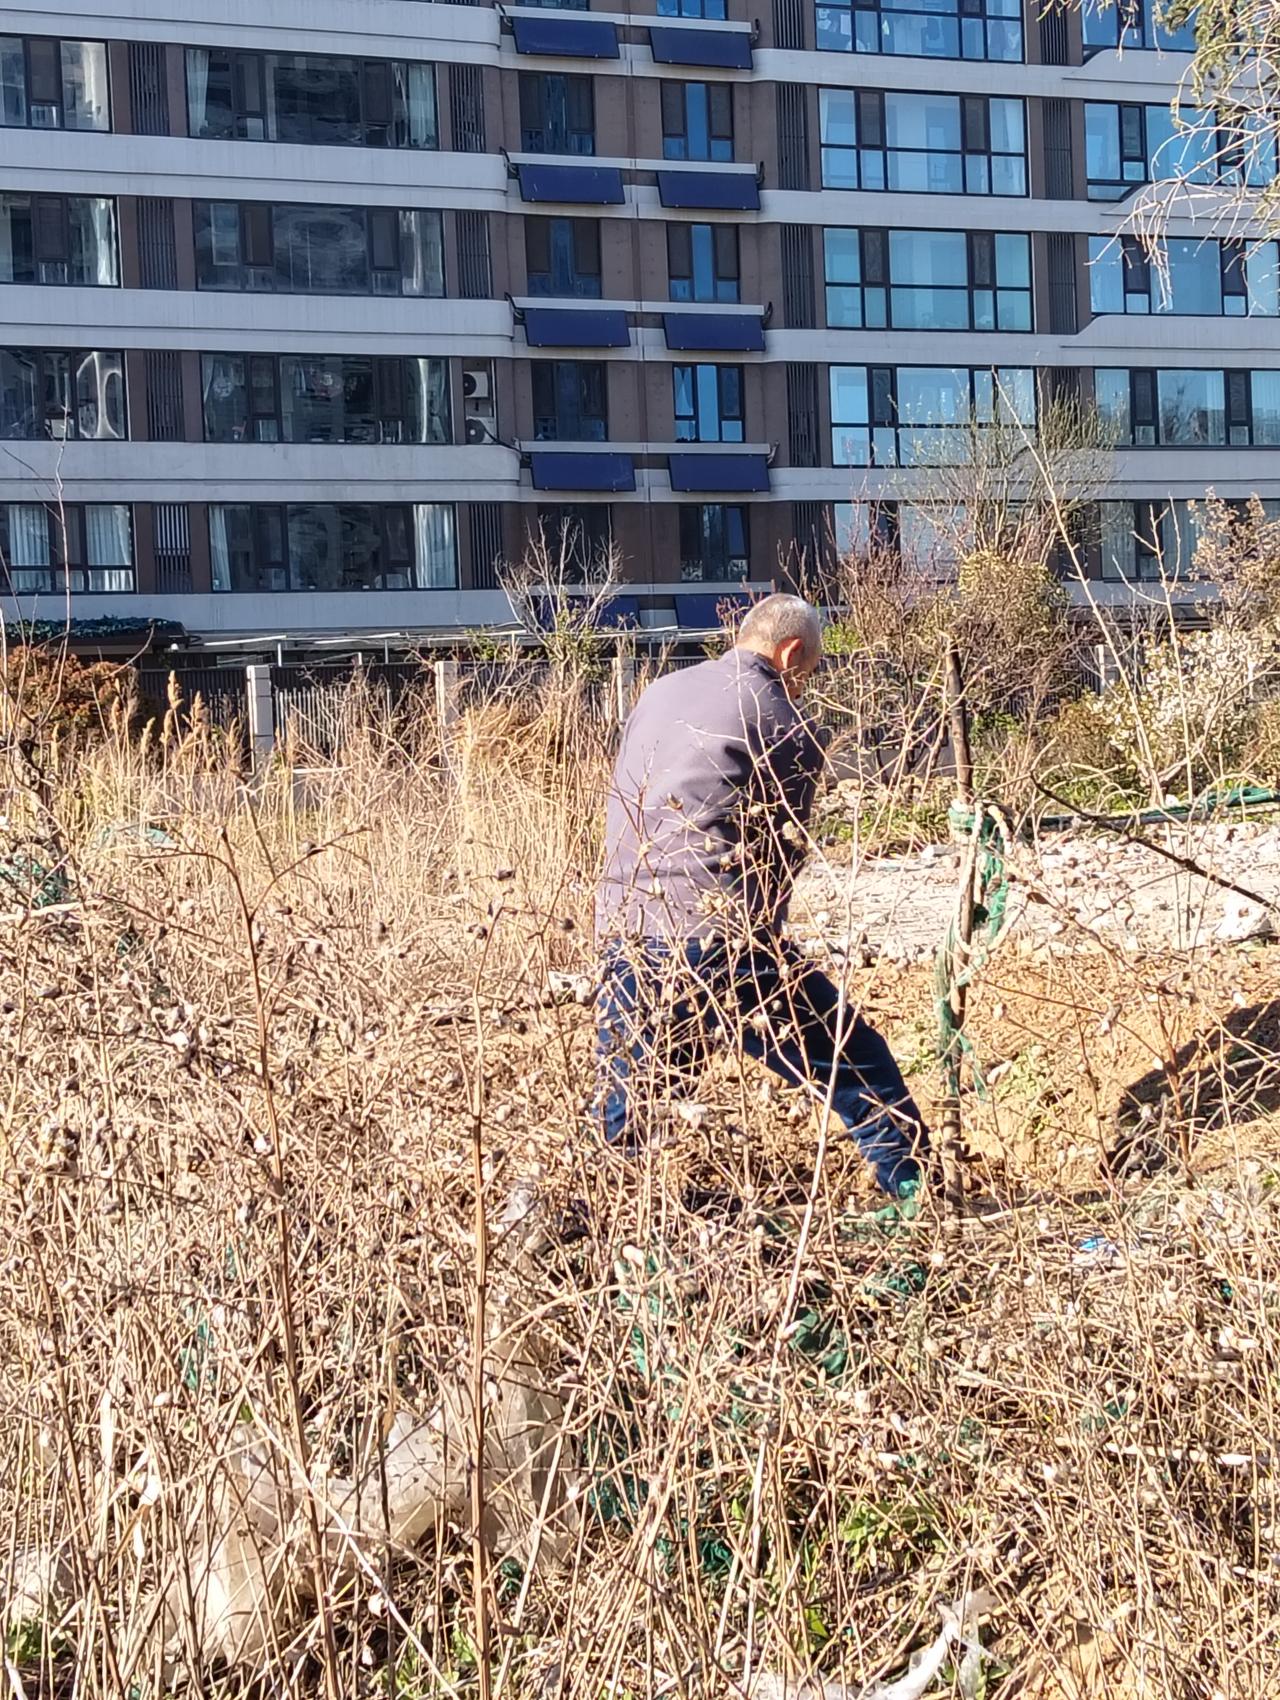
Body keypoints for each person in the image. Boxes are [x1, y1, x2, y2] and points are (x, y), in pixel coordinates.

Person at [595, 593, 929, 1197]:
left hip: (626, 926)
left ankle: (607, 1221)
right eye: (810, 671)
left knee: (636, 1097)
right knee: (851, 1059)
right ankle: (915, 1191)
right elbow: (781, 851)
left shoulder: (660, 692)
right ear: (791, 653)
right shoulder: (783, 722)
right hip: (718, 933)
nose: (806, 684)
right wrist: (764, 945)